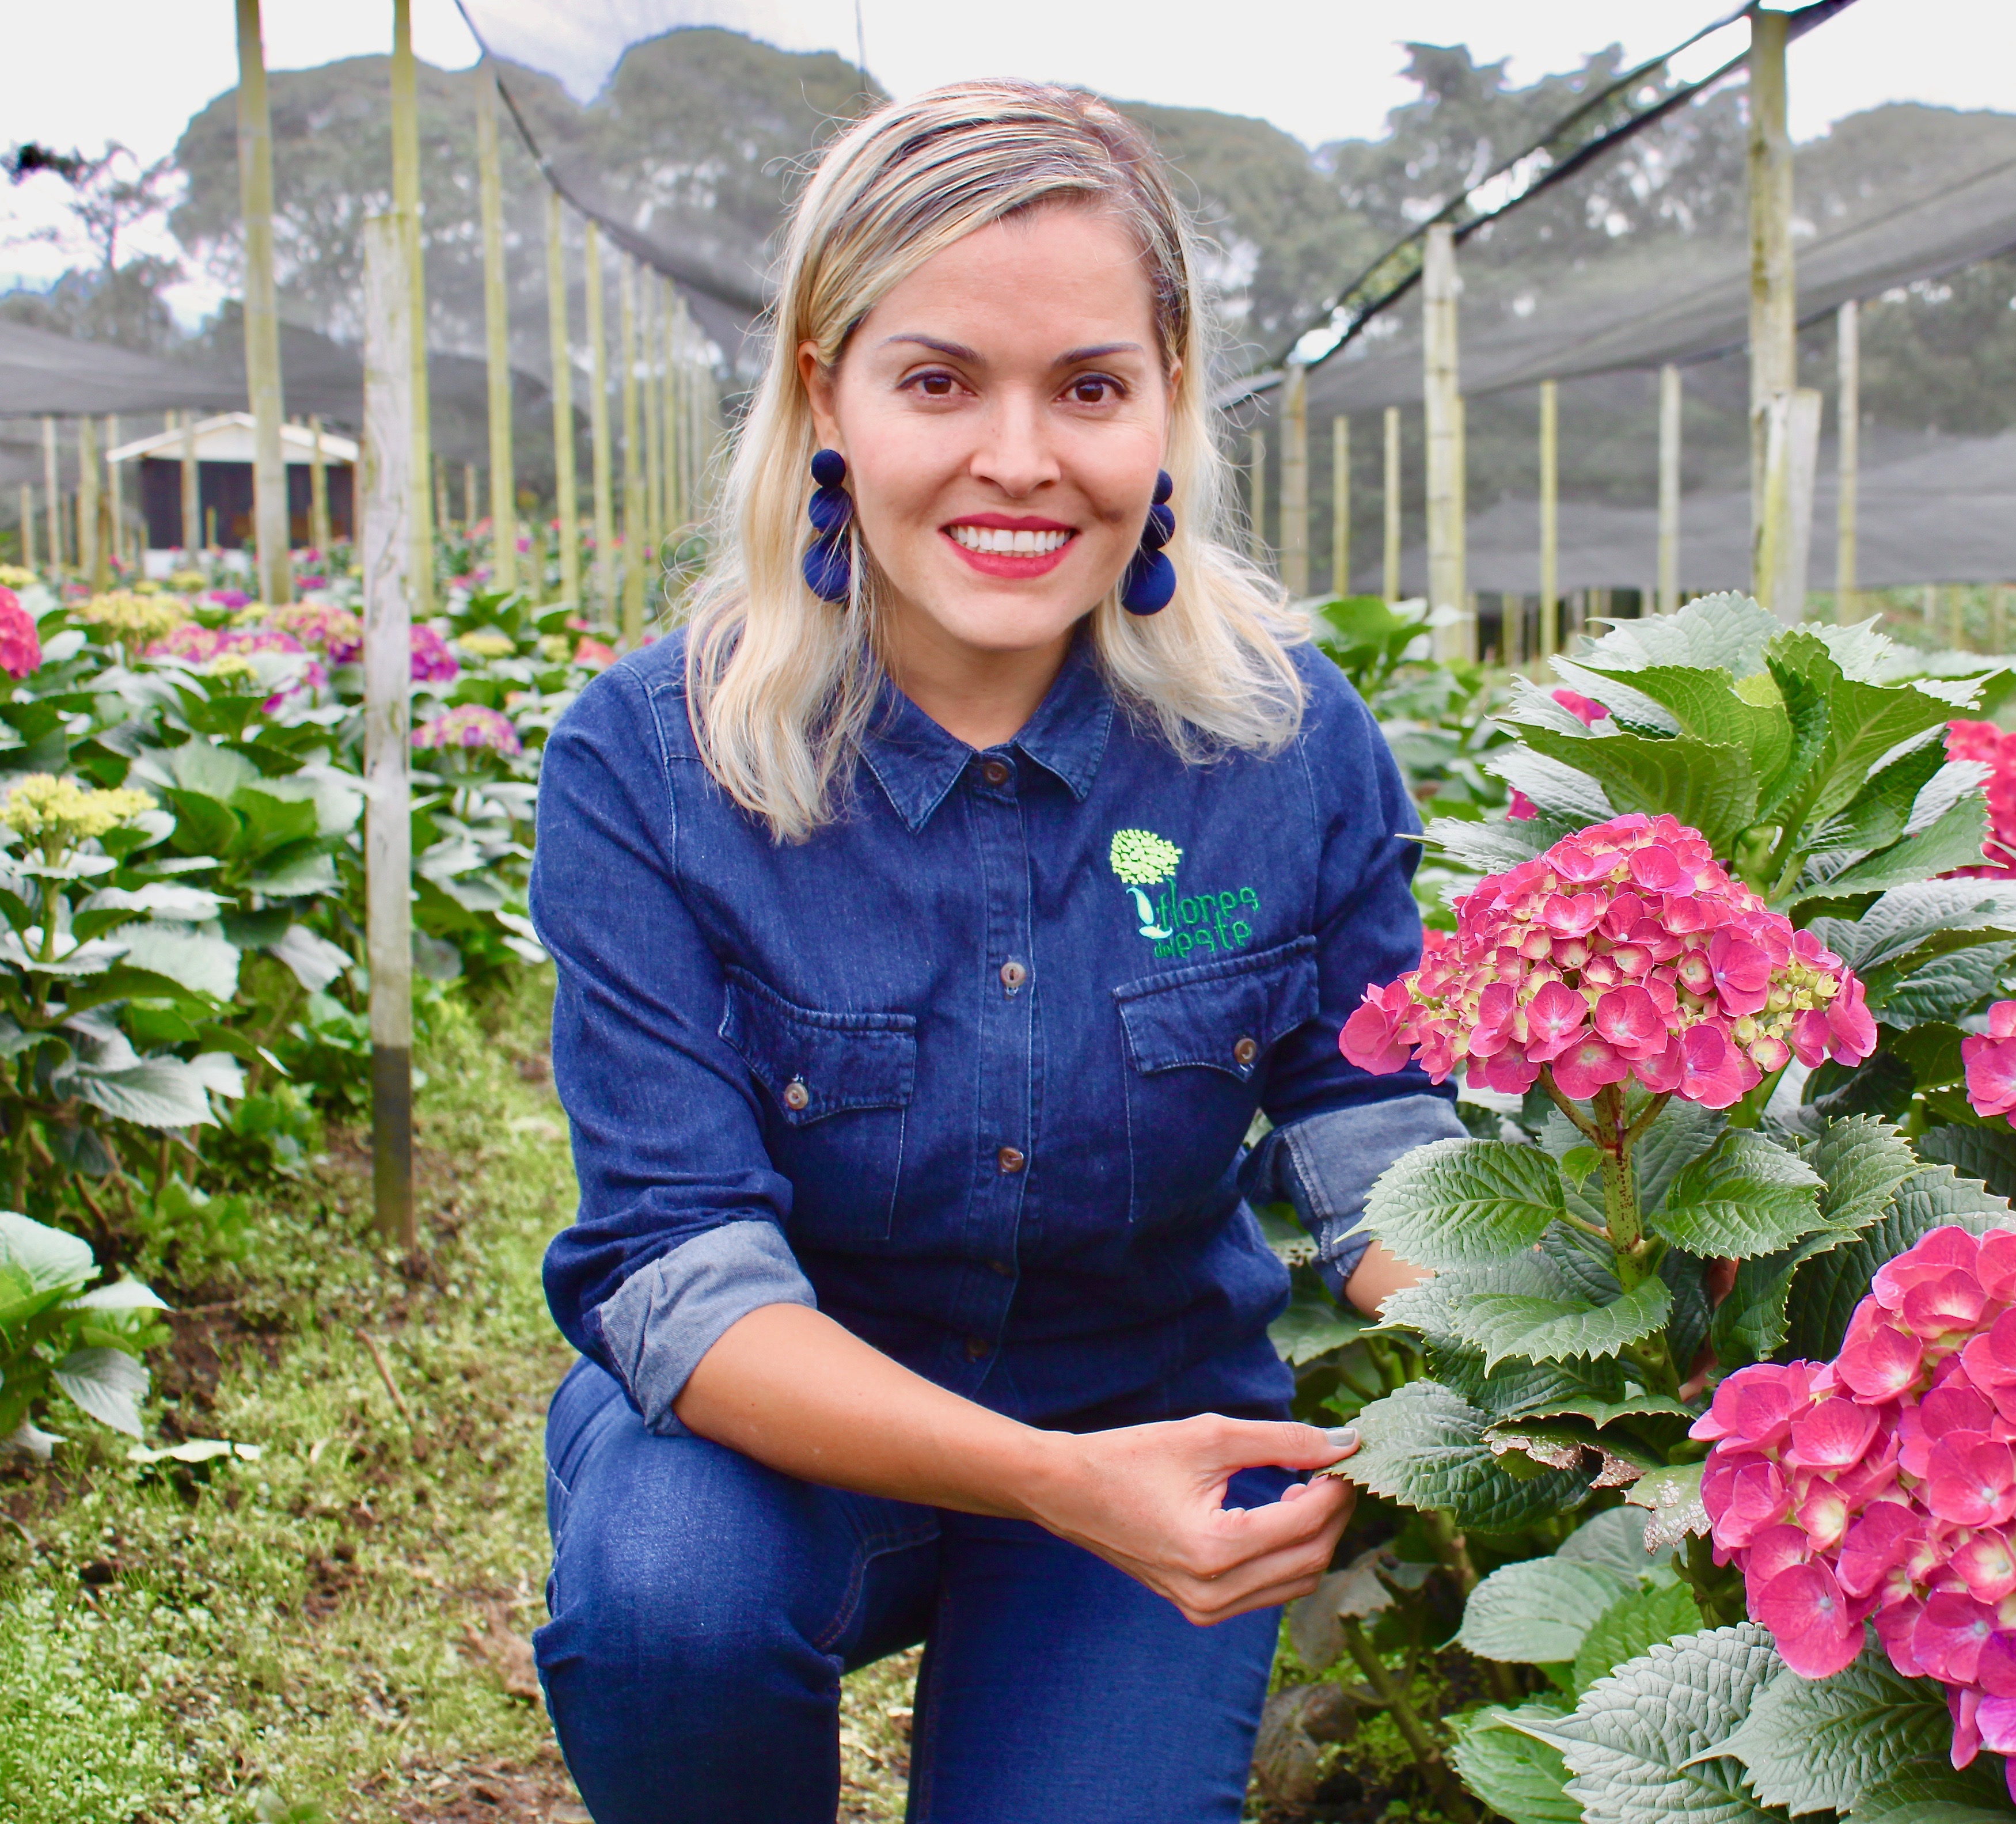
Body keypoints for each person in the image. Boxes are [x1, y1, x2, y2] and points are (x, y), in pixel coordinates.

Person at [527, 80, 1459, 1824]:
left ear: (1169, 401)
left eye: (1092, 387)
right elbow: (678, 1271)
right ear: (828, 392)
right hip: (770, 1446)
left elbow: (1378, 1143)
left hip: (1158, 1423)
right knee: (669, 1608)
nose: (1020, 460)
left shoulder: (1290, 745)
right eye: (939, 380)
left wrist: (1606, 1365)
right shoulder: (654, 760)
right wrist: (1049, 1479)